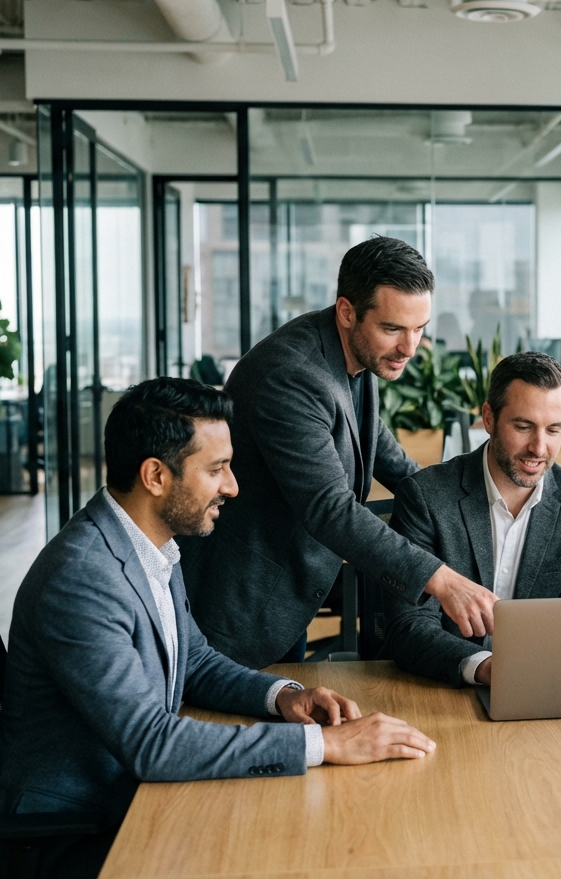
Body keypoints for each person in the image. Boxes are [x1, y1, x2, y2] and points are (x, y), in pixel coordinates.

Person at [0, 379, 435, 878]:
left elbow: (192, 659)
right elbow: (151, 744)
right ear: (155, 475)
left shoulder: (150, 543)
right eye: (216, 469)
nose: (232, 486)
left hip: (133, 798)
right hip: (73, 832)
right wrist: (326, 746)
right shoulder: (82, 578)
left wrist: (284, 696)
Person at [180, 236, 496, 669]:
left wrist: (468, 508)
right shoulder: (292, 376)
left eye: (419, 328)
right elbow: (330, 508)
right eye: (394, 329)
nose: (410, 347)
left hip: (287, 593)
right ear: (348, 311)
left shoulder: (356, 354)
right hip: (241, 604)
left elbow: (389, 458)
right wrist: (439, 579)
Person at [384, 352, 561, 687]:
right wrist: (484, 667)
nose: (539, 447)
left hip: (545, 686)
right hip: (442, 688)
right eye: (523, 427)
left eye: (553, 429)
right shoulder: (426, 495)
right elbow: (408, 626)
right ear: (489, 418)